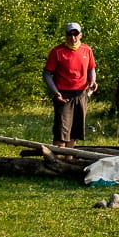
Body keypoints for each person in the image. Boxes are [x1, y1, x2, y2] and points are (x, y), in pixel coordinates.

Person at [43, 22, 97, 150]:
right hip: (63, 95)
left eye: (75, 34)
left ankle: (70, 162)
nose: (73, 38)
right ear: (65, 36)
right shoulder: (57, 51)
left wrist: (92, 81)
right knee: (61, 132)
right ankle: (56, 162)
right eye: (69, 35)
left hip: (81, 94)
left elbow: (91, 68)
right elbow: (46, 73)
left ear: (80, 35)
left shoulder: (87, 50)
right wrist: (55, 92)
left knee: (74, 132)